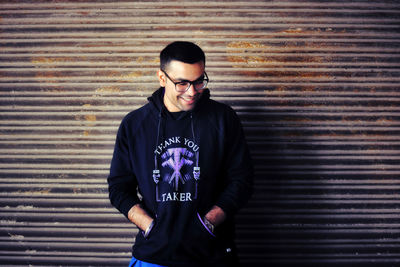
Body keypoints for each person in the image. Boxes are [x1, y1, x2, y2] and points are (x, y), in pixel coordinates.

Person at [108, 41, 254, 267]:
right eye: (182, 83)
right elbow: (118, 188)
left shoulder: (223, 119)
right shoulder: (134, 124)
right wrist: (149, 226)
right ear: (161, 78)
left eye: (198, 81)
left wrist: (208, 223)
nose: (192, 92)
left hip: (212, 256)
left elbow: (242, 181)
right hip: (153, 256)